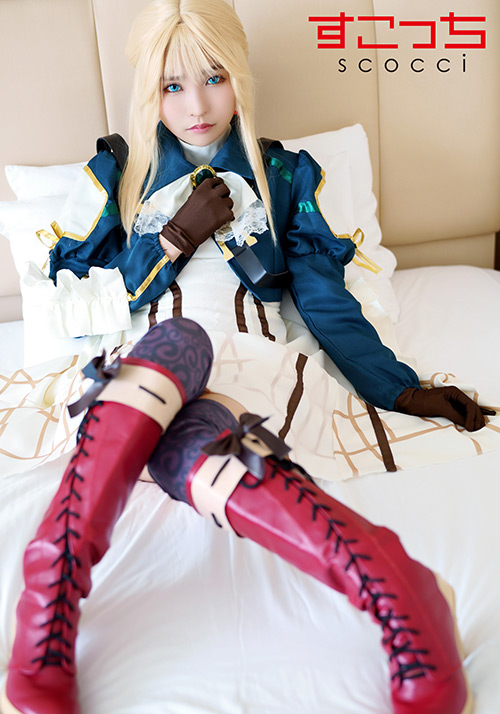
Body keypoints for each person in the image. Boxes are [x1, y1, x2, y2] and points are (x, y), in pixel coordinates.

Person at [2, 1, 484, 713]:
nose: (196, 106)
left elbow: (324, 301)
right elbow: (65, 306)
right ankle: (397, 587)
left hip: (251, 364)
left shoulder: (284, 175)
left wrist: (400, 388)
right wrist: (170, 241)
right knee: (180, 370)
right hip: (139, 369)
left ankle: (49, 599)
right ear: (149, 91)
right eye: (171, 86)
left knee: (192, 376)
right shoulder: (115, 175)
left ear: (240, 78)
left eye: (214, 78)